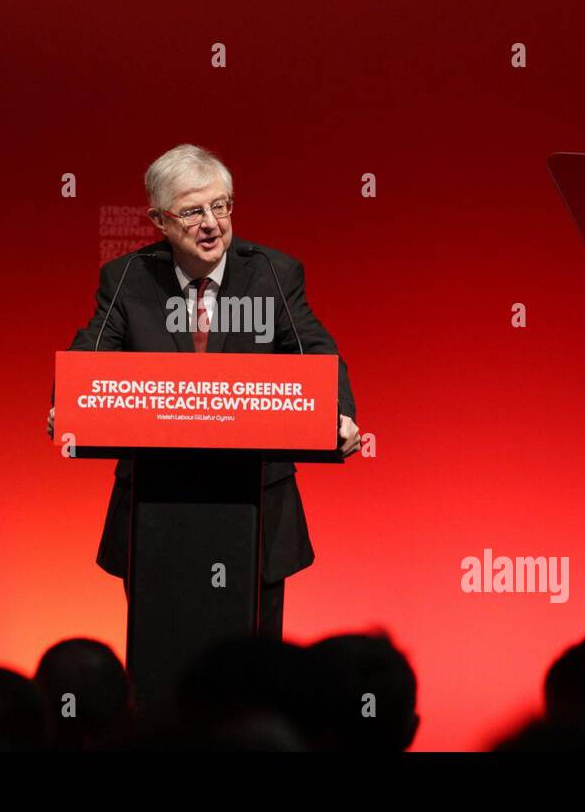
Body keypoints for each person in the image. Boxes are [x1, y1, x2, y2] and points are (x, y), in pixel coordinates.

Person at [48, 143, 359, 638]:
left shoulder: (273, 273)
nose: (212, 222)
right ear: (159, 220)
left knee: (251, 673)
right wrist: (69, 404)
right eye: (193, 211)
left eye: (221, 205)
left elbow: (315, 348)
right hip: (156, 508)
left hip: (255, 506)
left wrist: (338, 414)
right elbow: (92, 349)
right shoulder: (128, 277)